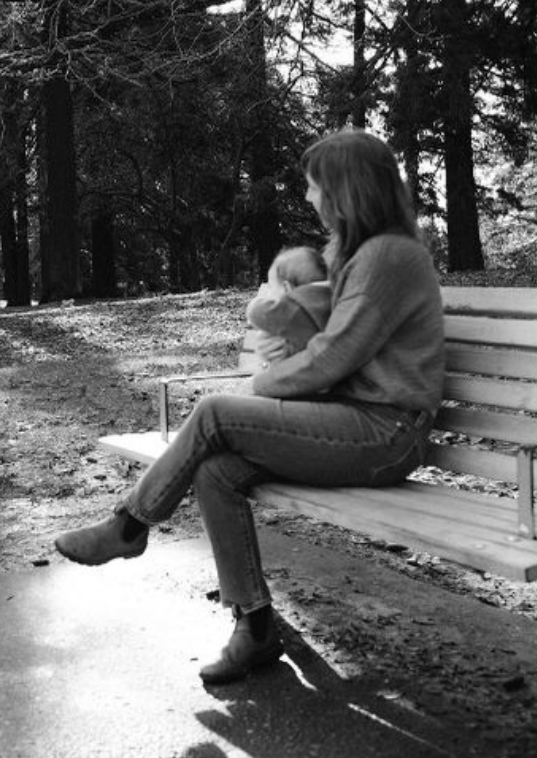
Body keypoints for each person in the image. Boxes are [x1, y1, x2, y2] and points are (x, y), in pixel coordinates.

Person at [53, 129, 445, 685]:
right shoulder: (363, 254)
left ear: (345, 190)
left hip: (386, 432)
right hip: (356, 423)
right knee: (216, 472)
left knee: (215, 412)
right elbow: (318, 341)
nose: (309, 199)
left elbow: (334, 356)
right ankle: (256, 627)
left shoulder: (388, 256)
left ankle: (129, 525)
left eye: (314, 188)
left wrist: (259, 387)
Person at [245, 245, 331, 358]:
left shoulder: (296, 309)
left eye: (271, 287)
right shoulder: (333, 302)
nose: (270, 294)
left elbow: (256, 312)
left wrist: (255, 303)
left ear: (287, 288)